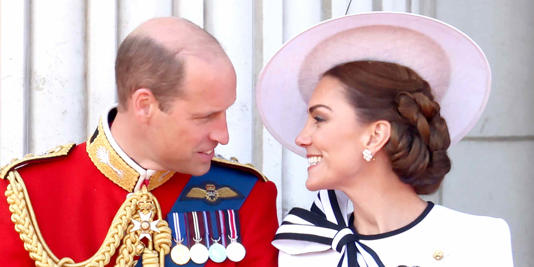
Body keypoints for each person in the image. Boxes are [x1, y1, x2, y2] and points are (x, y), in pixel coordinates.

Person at [0, 17, 278, 267]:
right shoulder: (23, 196)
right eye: (205, 117)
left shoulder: (246, 196)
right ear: (144, 105)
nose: (223, 135)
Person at [256, 12, 513, 266]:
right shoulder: (303, 252)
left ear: (375, 136)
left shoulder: (477, 242)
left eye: (320, 119)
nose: (301, 138)